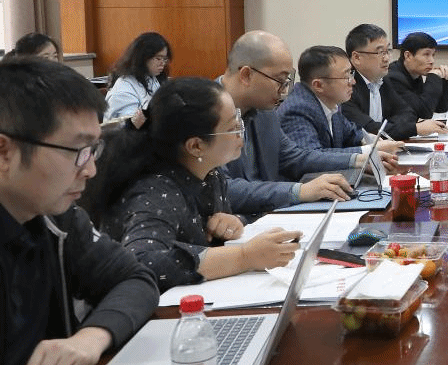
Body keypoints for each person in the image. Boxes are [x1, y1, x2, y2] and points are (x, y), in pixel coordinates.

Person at [0, 58, 159, 365]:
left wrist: (91, 337)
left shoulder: (57, 219)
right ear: (4, 151)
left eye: (93, 150)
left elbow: (135, 279)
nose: (89, 171)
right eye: (76, 151)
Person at [83, 77, 302, 292]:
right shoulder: (155, 190)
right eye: (232, 127)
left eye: (238, 120)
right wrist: (244, 256)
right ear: (196, 146)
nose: (240, 132)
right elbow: (142, 260)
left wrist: (233, 223)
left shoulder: (210, 173)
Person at [217, 31, 356, 216]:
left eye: (287, 81)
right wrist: (299, 191)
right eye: (280, 80)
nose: (284, 91)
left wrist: (357, 160)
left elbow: (294, 158)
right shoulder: (203, 112)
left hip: (269, 216)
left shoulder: (265, 111)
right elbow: (222, 188)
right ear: (246, 75)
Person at [279, 45, 404, 161]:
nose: (353, 82)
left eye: (351, 73)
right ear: (318, 85)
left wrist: (372, 140)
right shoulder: (297, 110)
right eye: (346, 76)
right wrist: (369, 150)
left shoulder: (332, 104)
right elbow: (311, 157)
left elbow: (352, 134)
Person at [342, 24, 445, 140]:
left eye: (388, 51)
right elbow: (368, 129)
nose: (386, 58)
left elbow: (408, 114)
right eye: (380, 52)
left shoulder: (383, 80)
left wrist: (390, 128)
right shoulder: (345, 87)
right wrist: (413, 129)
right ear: (357, 58)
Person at [385, 31, 448, 121]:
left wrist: (446, 80)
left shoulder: (415, 75)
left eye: (433, 55)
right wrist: (433, 77)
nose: (432, 61)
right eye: (426, 54)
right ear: (408, 56)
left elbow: (440, 108)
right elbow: (424, 112)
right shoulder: (393, 78)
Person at [103, 31, 172, 121]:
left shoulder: (151, 78)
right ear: (142, 57)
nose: (162, 63)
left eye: (165, 59)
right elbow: (130, 125)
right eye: (158, 58)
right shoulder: (124, 89)